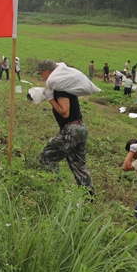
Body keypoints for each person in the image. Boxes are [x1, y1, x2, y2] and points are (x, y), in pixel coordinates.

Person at [37, 60, 95, 195]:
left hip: (71, 130)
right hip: (80, 128)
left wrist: (50, 98)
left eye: (41, 73)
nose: (41, 77)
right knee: (78, 165)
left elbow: (64, 112)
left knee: (47, 156)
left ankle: (54, 189)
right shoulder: (64, 85)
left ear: (47, 72)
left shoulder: (60, 87)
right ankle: (89, 198)